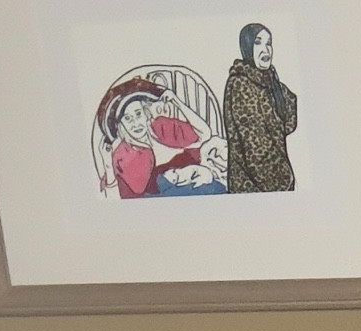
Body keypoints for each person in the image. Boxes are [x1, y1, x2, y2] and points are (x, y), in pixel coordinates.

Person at [94, 74, 223, 199]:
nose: (135, 124)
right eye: (128, 118)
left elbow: (205, 133)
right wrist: (108, 166)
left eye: (138, 114)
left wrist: (176, 101)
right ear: (120, 125)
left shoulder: (159, 127)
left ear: (146, 113)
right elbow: (122, 198)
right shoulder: (124, 153)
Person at [223, 23, 298, 192]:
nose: (266, 49)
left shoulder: (271, 83)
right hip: (253, 188)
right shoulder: (240, 84)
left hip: (279, 182)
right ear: (247, 47)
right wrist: (283, 183)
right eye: (258, 42)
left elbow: (288, 123)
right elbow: (255, 151)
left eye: (269, 43)